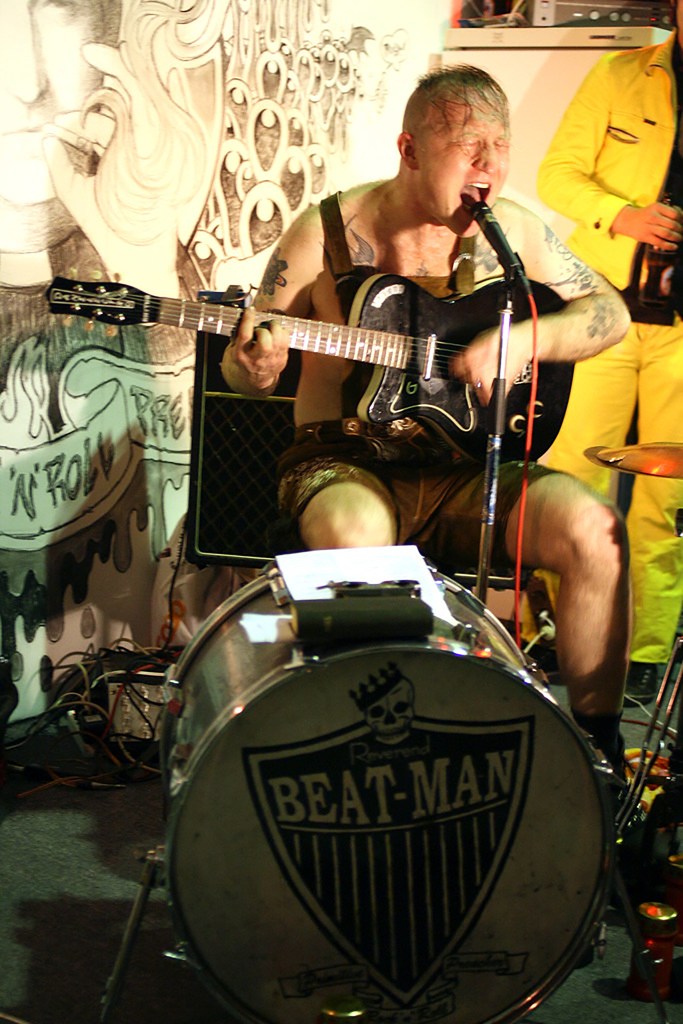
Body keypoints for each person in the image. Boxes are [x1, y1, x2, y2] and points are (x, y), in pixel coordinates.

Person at [221, 64, 632, 773]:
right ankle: (366, 753)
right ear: (409, 150)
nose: (487, 166)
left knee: (597, 531)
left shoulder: (514, 232)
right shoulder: (325, 232)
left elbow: (610, 314)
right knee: (356, 538)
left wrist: (525, 341)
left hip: (466, 471)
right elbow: (245, 365)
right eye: (467, 146)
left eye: (499, 147)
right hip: (344, 463)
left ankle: (597, 758)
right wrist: (253, 368)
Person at [537, 3, 683, 707]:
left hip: (680, 333)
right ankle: (556, 631)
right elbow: (555, 177)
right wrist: (625, 215)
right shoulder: (618, 73)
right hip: (606, 313)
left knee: (667, 498)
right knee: (572, 479)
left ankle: (645, 655)